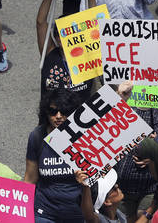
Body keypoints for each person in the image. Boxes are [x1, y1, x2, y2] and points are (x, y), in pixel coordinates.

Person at [25, 89, 98, 223]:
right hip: (44, 212)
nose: (58, 116)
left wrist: (121, 96)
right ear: (46, 113)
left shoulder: (85, 138)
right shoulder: (37, 136)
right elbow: (30, 179)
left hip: (75, 213)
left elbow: (109, 121)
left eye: (64, 111)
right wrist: (17, 209)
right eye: (53, 111)